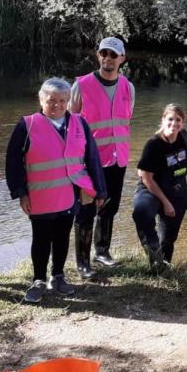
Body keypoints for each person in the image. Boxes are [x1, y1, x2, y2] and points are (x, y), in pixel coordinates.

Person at [5, 78, 108, 303]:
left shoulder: (80, 124)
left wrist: (100, 190)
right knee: (41, 238)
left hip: (69, 196)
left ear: (69, 101)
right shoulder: (28, 124)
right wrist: (20, 192)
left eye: (63, 100)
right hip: (40, 196)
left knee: (62, 237)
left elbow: (92, 159)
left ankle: (58, 276)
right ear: (41, 100)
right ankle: (38, 280)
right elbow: (13, 162)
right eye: (51, 101)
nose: (57, 105)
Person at [70, 36, 135, 278]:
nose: (108, 58)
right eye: (104, 53)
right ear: (98, 56)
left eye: (113, 54)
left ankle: (102, 251)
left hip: (118, 159)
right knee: (86, 210)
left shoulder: (128, 87)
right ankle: (82, 263)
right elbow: (70, 123)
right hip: (88, 161)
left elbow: (125, 121)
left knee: (110, 207)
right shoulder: (81, 85)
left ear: (122, 59)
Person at [131, 104, 187, 267]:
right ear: (163, 120)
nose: (174, 123)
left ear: (183, 123)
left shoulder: (184, 137)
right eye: (170, 119)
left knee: (168, 238)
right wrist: (166, 203)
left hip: (176, 190)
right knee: (141, 212)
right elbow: (146, 177)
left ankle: (162, 267)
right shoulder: (153, 144)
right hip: (151, 188)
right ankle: (154, 254)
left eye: (178, 120)